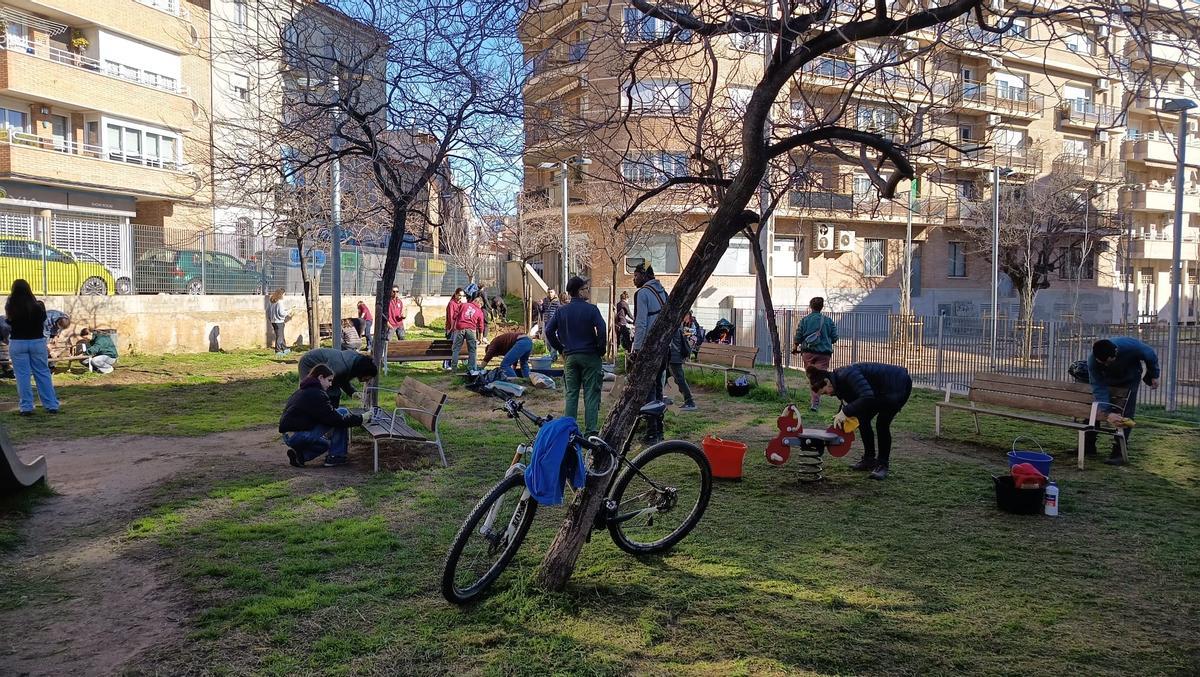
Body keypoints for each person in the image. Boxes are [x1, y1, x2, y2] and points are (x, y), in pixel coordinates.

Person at [806, 362, 912, 481]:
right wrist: (843, 416)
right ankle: (869, 459)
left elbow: (867, 396)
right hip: (878, 391)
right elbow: (856, 403)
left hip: (896, 385)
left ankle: (882, 465)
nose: (828, 394)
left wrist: (845, 412)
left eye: (825, 392)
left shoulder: (848, 374)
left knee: (882, 424)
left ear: (827, 381)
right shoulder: (838, 383)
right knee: (862, 419)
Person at [545, 276, 606, 434]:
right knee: (591, 394)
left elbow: (548, 331)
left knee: (571, 394)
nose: (588, 291)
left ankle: (569, 431)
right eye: (586, 288)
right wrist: (601, 349)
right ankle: (591, 431)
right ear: (579, 292)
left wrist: (560, 348)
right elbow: (602, 328)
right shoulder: (591, 309)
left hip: (570, 356)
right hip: (590, 356)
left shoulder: (561, 311)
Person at [1088, 338, 1160, 465]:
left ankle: (1119, 452)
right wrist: (1107, 411)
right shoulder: (1093, 361)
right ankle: (1088, 446)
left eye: (1108, 362)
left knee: (1126, 412)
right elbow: (1098, 386)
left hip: (1130, 378)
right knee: (1095, 407)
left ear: (1115, 352)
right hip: (1108, 379)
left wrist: (1154, 374)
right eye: (1102, 363)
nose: (1105, 364)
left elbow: (1150, 354)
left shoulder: (1130, 346)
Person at [279, 363, 364, 468]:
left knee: (324, 445)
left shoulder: (302, 390)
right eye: (329, 380)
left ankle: (299, 457)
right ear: (320, 377)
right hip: (298, 435)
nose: (330, 384)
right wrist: (361, 419)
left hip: (288, 435)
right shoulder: (316, 394)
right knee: (342, 413)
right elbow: (334, 419)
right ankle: (336, 456)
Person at [5, 279, 59, 415]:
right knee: (42, 373)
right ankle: (51, 405)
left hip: (17, 342)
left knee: (22, 376)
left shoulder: (11, 306)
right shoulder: (37, 306)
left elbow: (8, 321)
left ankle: (26, 407)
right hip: (37, 342)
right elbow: (43, 318)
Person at [630, 262, 670, 402]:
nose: (634, 279)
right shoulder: (663, 291)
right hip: (664, 345)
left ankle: (649, 419)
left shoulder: (642, 293)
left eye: (636, 276)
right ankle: (658, 418)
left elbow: (641, 323)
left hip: (649, 346)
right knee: (659, 383)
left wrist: (637, 348)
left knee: (648, 384)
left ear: (644, 275)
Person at [792, 296, 839, 411]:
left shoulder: (805, 320)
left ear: (810, 307)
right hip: (824, 354)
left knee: (813, 378)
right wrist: (825, 341)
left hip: (808, 353)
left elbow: (798, 335)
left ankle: (815, 401)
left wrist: (795, 347)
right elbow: (835, 337)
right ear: (822, 307)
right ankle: (816, 403)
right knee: (820, 378)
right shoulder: (828, 321)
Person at [296, 347, 378, 408]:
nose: (366, 380)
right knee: (311, 391)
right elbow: (332, 382)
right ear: (362, 371)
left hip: (327, 365)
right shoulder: (340, 367)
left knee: (333, 393)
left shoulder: (355, 362)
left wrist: (352, 392)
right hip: (309, 362)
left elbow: (342, 379)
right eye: (367, 378)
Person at [667, 317, 697, 412]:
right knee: (670, 377)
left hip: (674, 356)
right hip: (673, 356)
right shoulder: (676, 325)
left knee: (679, 379)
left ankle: (689, 401)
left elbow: (672, 343)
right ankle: (666, 397)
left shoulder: (673, 327)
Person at [450, 290, 485, 372]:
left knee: (456, 349)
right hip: (471, 330)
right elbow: (481, 326)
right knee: (472, 350)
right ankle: (471, 369)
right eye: (481, 306)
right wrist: (480, 337)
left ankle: (454, 369)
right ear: (479, 304)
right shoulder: (479, 311)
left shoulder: (464, 305)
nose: (480, 307)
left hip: (460, 328)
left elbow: (455, 315)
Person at [267, 289, 291, 356]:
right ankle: (278, 351)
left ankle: (285, 348)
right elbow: (282, 313)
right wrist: (289, 311)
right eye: (284, 294)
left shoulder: (271, 301)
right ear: (281, 294)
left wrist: (270, 318)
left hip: (273, 321)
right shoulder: (280, 302)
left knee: (281, 335)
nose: (284, 296)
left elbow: (268, 311)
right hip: (279, 321)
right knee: (279, 337)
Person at [542, 292, 561, 361]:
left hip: (554, 322)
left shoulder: (557, 302)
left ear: (554, 293)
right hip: (547, 321)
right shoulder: (545, 300)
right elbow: (542, 311)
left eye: (551, 292)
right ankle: (551, 354)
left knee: (553, 338)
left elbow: (559, 311)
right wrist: (540, 306)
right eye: (549, 292)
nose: (550, 294)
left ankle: (553, 356)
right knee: (547, 340)